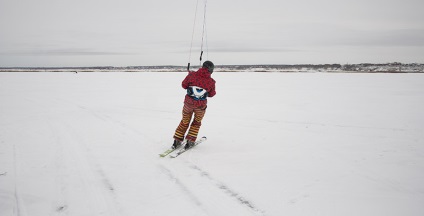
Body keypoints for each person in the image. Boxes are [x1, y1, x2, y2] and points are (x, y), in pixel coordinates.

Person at [172, 60, 216, 150]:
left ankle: (177, 140)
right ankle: (190, 141)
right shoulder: (211, 81)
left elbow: (184, 85)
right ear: (211, 70)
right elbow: (212, 94)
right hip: (201, 106)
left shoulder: (191, 75)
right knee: (196, 122)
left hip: (188, 104)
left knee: (184, 121)